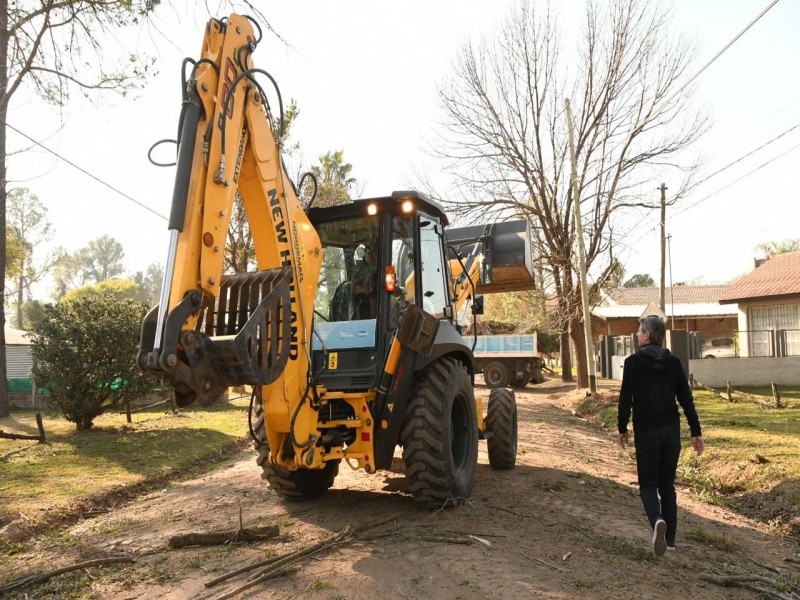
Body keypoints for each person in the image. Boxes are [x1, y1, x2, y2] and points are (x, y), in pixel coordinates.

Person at [617, 315, 704, 558]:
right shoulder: (674, 362)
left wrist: (622, 428)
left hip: (646, 432)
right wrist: (696, 432)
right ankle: (672, 539)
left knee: (647, 484)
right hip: (671, 432)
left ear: (647, 335)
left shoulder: (633, 363)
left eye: (638, 331)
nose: (636, 334)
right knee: (667, 486)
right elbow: (686, 399)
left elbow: (626, 400)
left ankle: (656, 520)